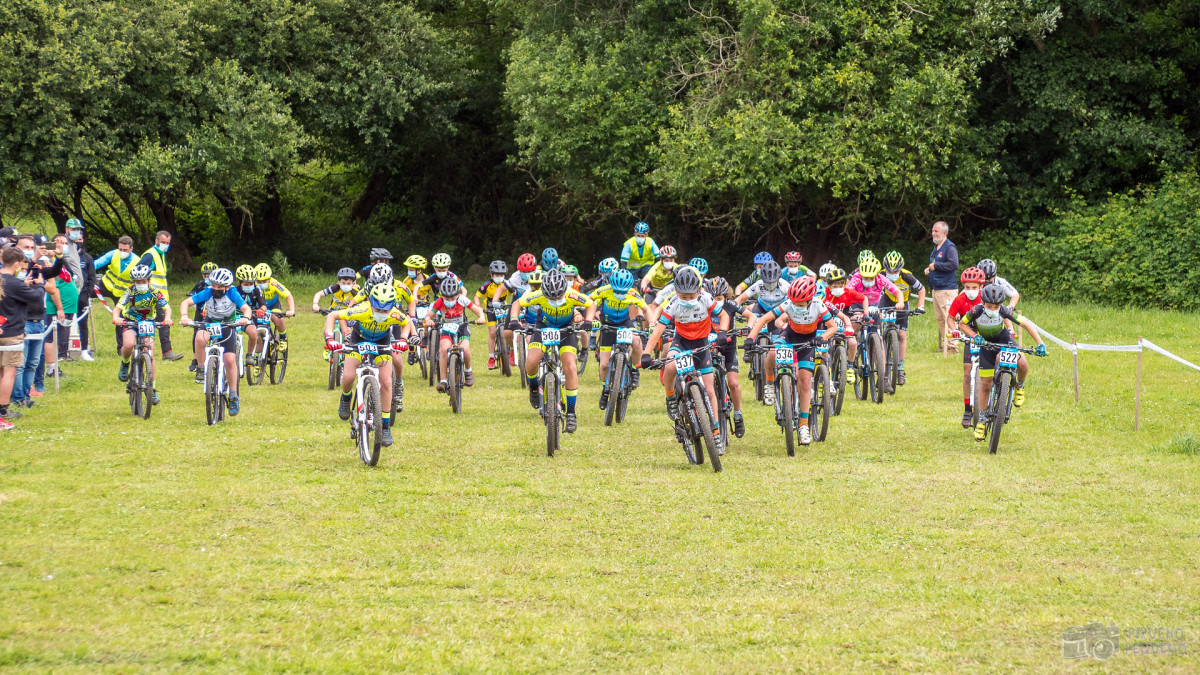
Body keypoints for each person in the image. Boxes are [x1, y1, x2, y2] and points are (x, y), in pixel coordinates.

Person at [746, 276, 839, 446]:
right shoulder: (789, 303)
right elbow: (764, 319)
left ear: (810, 299)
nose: (796, 306)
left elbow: (833, 327)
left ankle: (804, 424)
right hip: (788, 337)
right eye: (794, 302)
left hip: (808, 342)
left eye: (801, 304)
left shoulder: (819, 305)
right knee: (774, 353)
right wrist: (751, 337)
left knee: (804, 382)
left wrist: (822, 337)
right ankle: (776, 385)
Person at [641, 267, 723, 451]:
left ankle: (716, 432)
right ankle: (670, 396)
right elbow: (659, 329)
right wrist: (646, 353)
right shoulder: (673, 303)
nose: (687, 300)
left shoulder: (706, 299)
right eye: (683, 296)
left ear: (699, 291)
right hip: (681, 342)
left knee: (710, 390)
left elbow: (723, 315)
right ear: (677, 292)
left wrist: (722, 331)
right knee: (670, 367)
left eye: (690, 296)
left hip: (701, 344)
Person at [956, 283, 1047, 440]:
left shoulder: (1004, 310)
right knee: (985, 384)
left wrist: (1040, 343)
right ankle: (982, 421)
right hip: (985, 344)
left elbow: (1024, 323)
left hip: (1004, 339)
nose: (992, 309)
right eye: (989, 306)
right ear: (983, 303)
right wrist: (974, 335)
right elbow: (962, 324)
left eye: (996, 306)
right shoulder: (976, 311)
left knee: (1023, 363)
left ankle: (1019, 386)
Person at [326, 284, 413, 446]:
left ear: (391, 307)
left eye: (385, 311)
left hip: (382, 343)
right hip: (358, 340)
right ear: (371, 304)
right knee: (348, 376)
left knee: (387, 382)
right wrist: (329, 338)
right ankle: (346, 397)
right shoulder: (361, 310)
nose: (381, 313)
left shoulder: (395, 314)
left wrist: (403, 339)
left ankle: (385, 426)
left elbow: (406, 322)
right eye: (378, 309)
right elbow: (332, 316)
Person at [519, 269, 592, 433]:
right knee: (531, 362)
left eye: (558, 296)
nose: (555, 299)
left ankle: (571, 413)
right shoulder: (538, 295)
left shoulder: (572, 294)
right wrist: (515, 320)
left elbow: (591, 304)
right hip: (543, 329)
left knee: (571, 367)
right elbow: (518, 303)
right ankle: (533, 387)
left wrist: (588, 320)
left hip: (566, 331)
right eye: (551, 297)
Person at [179, 268, 252, 415]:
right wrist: (184, 316)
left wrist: (246, 318)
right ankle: (200, 369)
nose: (216, 289)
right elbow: (185, 303)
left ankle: (233, 395)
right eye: (214, 286)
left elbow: (246, 308)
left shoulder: (233, 293)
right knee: (200, 338)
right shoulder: (207, 292)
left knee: (230, 360)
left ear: (227, 287)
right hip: (210, 321)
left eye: (220, 287)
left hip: (227, 325)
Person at [12, 235, 64, 408]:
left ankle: (26, 396)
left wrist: (59, 256)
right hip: (22, 319)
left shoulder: (38, 266)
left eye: (32, 247)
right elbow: (17, 284)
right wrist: (33, 258)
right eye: (26, 247)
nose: (30, 250)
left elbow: (55, 273)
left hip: (38, 318)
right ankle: (18, 398)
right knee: (20, 363)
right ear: (17, 249)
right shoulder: (14, 268)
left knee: (33, 363)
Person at [585, 267, 647, 409]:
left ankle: (634, 370)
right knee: (604, 365)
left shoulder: (632, 292)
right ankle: (605, 389)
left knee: (636, 341)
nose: (619, 293)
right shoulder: (604, 290)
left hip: (625, 323)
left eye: (622, 291)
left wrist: (651, 324)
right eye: (616, 291)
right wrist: (590, 319)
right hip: (607, 325)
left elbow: (645, 308)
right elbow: (589, 301)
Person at [111, 265, 173, 404]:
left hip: (148, 323)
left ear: (149, 281)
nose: (140, 284)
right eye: (137, 282)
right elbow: (118, 307)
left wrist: (167, 318)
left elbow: (167, 307)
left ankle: (153, 388)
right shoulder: (130, 292)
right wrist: (116, 317)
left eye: (143, 282)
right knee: (128, 344)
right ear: (133, 282)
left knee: (149, 352)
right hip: (131, 322)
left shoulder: (154, 292)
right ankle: (125, 363)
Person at [0, 247, 45, 426]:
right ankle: (3, 408)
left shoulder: (7, 282)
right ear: (17, 264)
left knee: (0, 372)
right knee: (9, 372)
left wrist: (23, 286)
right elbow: (35, 297)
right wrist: (40, 284)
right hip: (12, 333)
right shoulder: (13, 283)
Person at [706, 276, 754, 438]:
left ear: (726, 296)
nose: (715, 301)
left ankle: (738, 414)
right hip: (709, 344)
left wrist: (748, 328)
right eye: (712, 298)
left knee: (733, 382)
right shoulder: (704, 306)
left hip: (729, 345)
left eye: (718, 298)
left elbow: (751, 316)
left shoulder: (731, 305)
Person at [425, 277, 486, 392]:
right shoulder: (439, 302)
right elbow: (429, 315)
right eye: (446, 298)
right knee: (444, 349)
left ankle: (468, 371)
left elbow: (477, 310)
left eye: (452, 298)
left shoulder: (462, 299)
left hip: (462, 327)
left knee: (465, 349)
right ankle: (443, 380)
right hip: (447, 328)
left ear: (458, 295)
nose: (449, 300)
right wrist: (428, 320)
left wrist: (481, 317)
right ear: (442, 295)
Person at [38, 234, 80, 387]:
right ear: (51, 244)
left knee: (61, 333)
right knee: (51, 336)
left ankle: (58, 360)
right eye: (58, 243)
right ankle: (51, 367)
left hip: (66, 303)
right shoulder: (48, 261)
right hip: (56, 304)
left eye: (64, 243)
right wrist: (60, 308)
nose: (62, 245)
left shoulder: (61, 259)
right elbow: (52, 287)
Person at [880, 251, 926, 385]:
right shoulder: (881, 275)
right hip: (886, 300)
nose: (892, 274)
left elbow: (921, 289)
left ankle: (900, 368)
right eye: (889, 271)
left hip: (903, 303)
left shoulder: (907, 275)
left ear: (900, 269)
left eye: (895, 272)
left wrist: (921, 305)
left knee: (902, 335)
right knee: (880, 330)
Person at [949, 267, 986, 428]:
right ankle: (967, 410)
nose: (970, 291)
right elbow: (950, 318)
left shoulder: (986, 298)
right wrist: (954, 330)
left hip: (986, 334)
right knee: (967, 370)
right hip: (969, 333)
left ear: (981, 287)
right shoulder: (959, 299)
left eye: (974, 287)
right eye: (967, 287)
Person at [138, 231, 183, 360]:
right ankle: (164, 352)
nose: (165, 245)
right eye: (163, 242)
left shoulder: (160, 254)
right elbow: (138, 273)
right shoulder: (150, 255)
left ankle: (164, 351)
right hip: (152, 297)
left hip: (160, 296)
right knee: (161, 324)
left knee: (163, 324)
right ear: (156, 241)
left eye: (168, 243)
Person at [63, 219, 96, 361]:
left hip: (80, 291)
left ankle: (84, 350)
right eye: (74, 229)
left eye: (78, 229)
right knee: (65, 321)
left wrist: (86, 292)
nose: (76, 232)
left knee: (82, 322)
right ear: (67, 229)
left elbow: (92, 277)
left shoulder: (75, 247)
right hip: (68, 289)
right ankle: (62, 353)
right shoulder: (64, 245)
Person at [924, 221, 960, 352]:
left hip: (947, 289)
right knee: (940, 319)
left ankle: (953, 347)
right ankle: (946, 345)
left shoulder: (950, 247)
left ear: (944, 233)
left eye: (936, 231)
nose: (933, 233)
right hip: (936, 289)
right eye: (932, 231)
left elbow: (954, 264)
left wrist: (936, 266)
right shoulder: (936, 248)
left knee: (949, 318)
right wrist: (930, 269)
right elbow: (935, 265)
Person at [312, 267, 360, 360]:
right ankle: (327, 346)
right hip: (333, 311)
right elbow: (319, 294)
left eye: (349, 283)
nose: (346, 285)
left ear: (354, 283)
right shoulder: (335, 288)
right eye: (343, 283)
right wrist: (315, 304)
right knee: (326, 329)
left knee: (350, 329)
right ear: (338, 282)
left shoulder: (356, 291)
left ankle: (347, 337)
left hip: (349, 314)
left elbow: (365, 300)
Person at [475, 260, 514, 370]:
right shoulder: (487, 285)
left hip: (504, 309)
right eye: (497, 275)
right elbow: (477, 296)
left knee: (510, 331)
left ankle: (511, 352)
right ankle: (491, 357)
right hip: (490, 311)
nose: (499, 277)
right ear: (491, 275)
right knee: (492, 333)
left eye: (501, 275)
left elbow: (515, 294)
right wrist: (478, 305)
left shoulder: (507, 284)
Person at [254, 263, 295, 353]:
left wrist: (291, 310)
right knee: (257, 335)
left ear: (269, 279)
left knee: (277, 317)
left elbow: (288, 295)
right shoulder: (252, 285)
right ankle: (257, 360)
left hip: (273, 305)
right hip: (259, 307)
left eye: (264, 281)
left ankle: (283, 337)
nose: (261, 284)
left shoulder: (274, 283)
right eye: (259, 281)